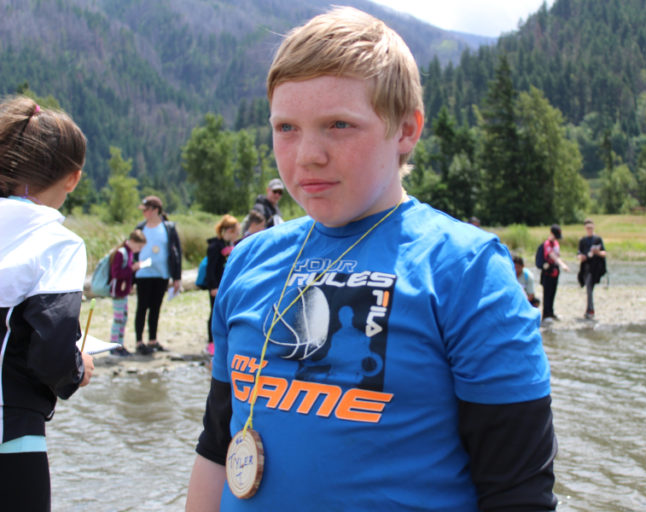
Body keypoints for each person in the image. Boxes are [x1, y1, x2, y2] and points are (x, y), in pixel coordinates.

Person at [186, 8, 557, 511]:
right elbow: (215, 445)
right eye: (287, 127)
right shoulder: (249, 259)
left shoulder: (468, 272)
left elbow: (517, 493)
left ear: (406, 130)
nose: (307, 154)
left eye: (339, 125)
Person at [0, 96, 95, 511]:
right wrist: (77, 369)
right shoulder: (57, 243)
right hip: (11, 431)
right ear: (72, 179)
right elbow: (52, 353)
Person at [134, 195, 182, 355]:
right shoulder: (140, 228)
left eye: (146, 210)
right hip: (143, 274)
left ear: (155, 210)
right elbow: (133, 250)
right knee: (142, 307)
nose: (144, 213)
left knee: (155, 308)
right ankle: (139, 342)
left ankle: (152, 340)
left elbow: (177, 253)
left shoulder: (168, 227)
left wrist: (177, 277)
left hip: (162, 274)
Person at [205, 215, 241, 355]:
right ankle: (211, 342)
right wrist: (212, 286)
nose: (237, 234)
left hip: (228, 286)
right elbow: (210, 268)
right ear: (228, 230)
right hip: (217, 286)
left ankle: (225, 340)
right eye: (236, 231)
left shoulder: (230, 245)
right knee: (214, 313)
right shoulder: (215, 246)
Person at [109, 229, 147, 356]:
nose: (139, 250)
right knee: (119, 319)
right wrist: (132, 268)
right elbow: (116, 273)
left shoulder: (128, 252)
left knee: (123, 318)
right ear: (132, 241)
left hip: (123, 291)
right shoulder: (121, 253)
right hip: (118, 291)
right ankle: (114, 346)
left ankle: (120, 345)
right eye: (139, 246)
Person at [577, 219, 607, 320]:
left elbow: (604, 253)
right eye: (587, 228)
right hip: (585, 268)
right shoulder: (583, 240)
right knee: (588, 288)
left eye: (591, 228)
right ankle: (590, 309)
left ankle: (590, 310)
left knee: (590, 288)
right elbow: (578, 254)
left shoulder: (598, 239)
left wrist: (596, 252)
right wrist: (581, 257)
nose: (589, 229)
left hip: (595, 268)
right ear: (585, 228)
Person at [540, 224, 569, 321]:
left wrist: (560, 264)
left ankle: (551, 312)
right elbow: (553, 256)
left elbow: (558, 255)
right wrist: (563, 265)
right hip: (547, 272)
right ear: (551, 233)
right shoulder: (547, 244)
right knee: (547, 293)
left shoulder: (556, 243)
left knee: (553, 292)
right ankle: (545, 314)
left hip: (555, 272)